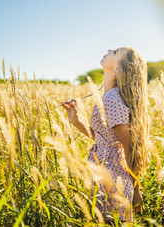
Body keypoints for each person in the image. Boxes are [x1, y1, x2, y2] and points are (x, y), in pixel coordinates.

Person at [61, 47, 151, 224]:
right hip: (104, 173)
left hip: (112, 177)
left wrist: (136, 190)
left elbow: (129, 147)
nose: (109, 49)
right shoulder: (109, 97)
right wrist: (77, 121)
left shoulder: (112, 99)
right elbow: (107, 140)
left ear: (118, 69)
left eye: (116, 52)